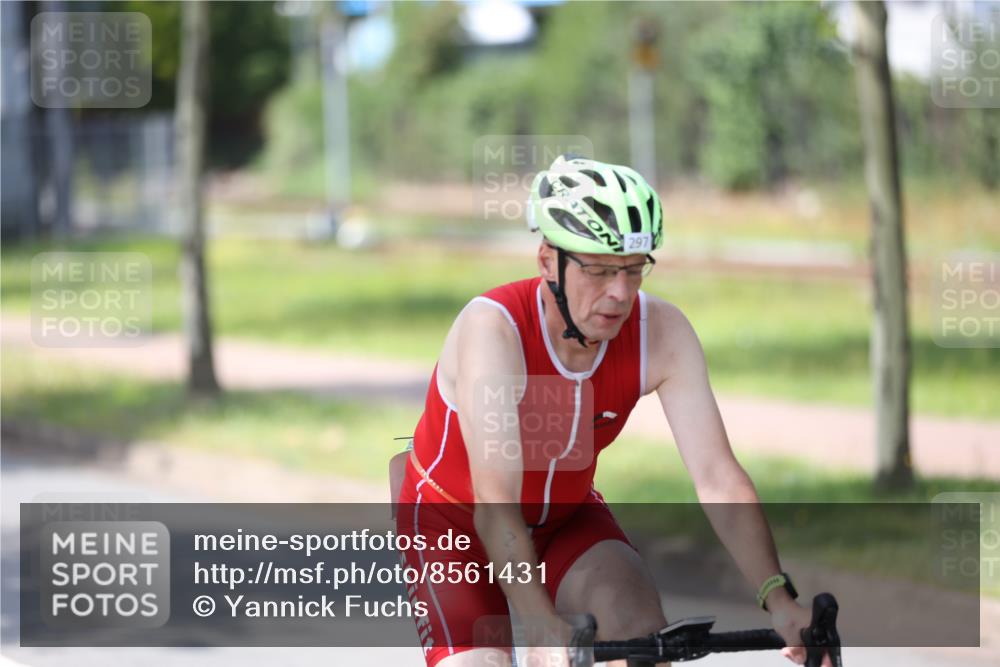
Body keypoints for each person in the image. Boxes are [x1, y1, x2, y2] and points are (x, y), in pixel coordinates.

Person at [392, 155, 831, 667]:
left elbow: (717, 476)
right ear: (546, 261)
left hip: (565, 518)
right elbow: (496, 502)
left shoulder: (660, 332)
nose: (619, 293)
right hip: (457, 525)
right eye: (598, 270)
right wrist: (538, 622)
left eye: (632, 270)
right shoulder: (495, 332)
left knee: (640, 633)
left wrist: (779, 599)